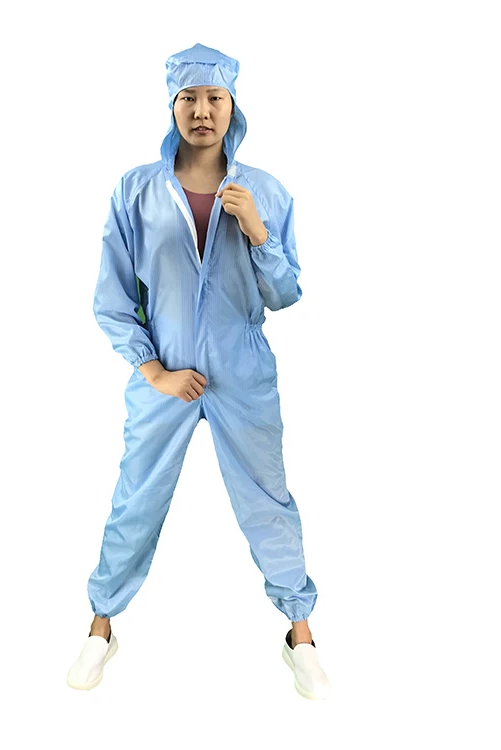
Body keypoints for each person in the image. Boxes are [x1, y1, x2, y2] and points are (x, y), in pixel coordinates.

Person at [66, 43, 331, 700]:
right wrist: (154, 369)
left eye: (215, 97)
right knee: (135, 499)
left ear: (233, 106)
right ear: (172, 106)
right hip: (165, 376)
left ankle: (300, 635)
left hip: (243, 373)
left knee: (268, 501)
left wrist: (258, 232)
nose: (202, 110)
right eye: (189, 98)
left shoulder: (265, 191)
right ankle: (101, 625)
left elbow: (286, 294)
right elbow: (111, 297)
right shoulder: (137, 191)